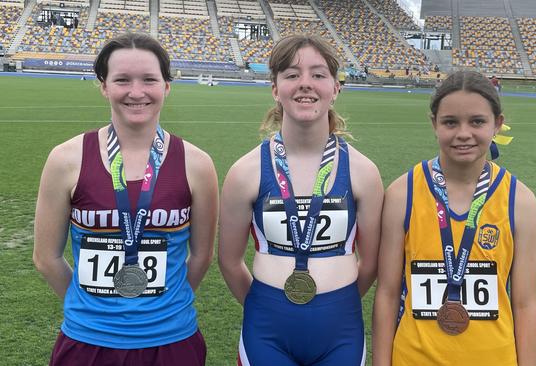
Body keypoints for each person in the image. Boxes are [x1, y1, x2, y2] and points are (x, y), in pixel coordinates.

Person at [33, 32, 219, 365]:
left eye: (149, 79)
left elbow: (202, 257)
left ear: (166, 86)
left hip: (172, 340)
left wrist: (161, 307)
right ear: (104, 85)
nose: (136, 92)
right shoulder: (65, 159)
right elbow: (46, 258)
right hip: (86, 341)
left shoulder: (197, 164)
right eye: (122, 80)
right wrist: (89, 306)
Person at [218, 34, 383, 365]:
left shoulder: (363, 172)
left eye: (318, 75)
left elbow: (372, 263)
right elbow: (229, 262)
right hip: (267, 329)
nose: (305, 84)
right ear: (275, 89)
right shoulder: (245, 172)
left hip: (341, 329)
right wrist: (267, 304)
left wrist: (335, 301)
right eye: (292, 75)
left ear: (335, 88)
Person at [373, 70, 536, 366]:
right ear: (434, 124)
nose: (464, 133)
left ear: (497, 124)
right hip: (413, 358)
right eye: (451, 122)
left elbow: (526, 304)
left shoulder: (520, 200)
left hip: (494, 358)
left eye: (477, 121)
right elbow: (386, 294)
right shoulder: (402, 194)